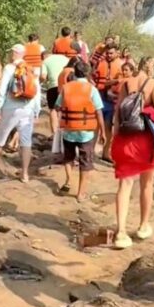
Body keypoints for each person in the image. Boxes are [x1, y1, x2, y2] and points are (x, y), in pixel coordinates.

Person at [109, 57, 154, 250]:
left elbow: (118, 110)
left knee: (125, 185)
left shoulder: (127, 83)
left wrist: (115, 135)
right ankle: (143, 226)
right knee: (147, 183)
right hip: (146, 139)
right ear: (150, 68)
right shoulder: (153, 84)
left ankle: (120, 233)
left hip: (126, 138)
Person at [56, 61, 106, 202]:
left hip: (68, 130)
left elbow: (57, 106)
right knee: (85, 162)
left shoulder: (66, 88)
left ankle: (68, 180)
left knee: (68, 157)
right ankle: (81, 193)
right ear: (87, 73)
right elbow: (99, 112)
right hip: (86, 133)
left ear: (75, 72)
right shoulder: (92, 89)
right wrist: (103, 131)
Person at [0, 45, 41, 182]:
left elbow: (2, 89)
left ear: (14, 54)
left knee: (0, 135)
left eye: (11, 53)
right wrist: (36, 110)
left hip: (10, 107)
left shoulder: (9, 68)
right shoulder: (32, 69)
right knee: (26, 141)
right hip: (28, 108)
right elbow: (37, 92)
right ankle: (24, 174)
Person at [91, 46, 120, 162]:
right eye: (107, 53)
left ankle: (105, 153)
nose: (109, 55)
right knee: (95, 126)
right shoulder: (99, 63)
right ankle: (91, 152)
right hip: (99, 95)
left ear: (117, 53)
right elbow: (92, 76)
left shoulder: (121, 65)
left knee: (109, 127)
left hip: (112, 99)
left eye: (111, 53)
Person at [41, 48, 71, 157]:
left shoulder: (45, 62)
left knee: (53, 109)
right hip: (66, 87)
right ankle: (64, 131)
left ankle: (55, 133)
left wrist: (42, 82)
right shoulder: (64, 58)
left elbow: (43, 76)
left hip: (53, 86)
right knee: (64, 110)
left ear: (44, 56)